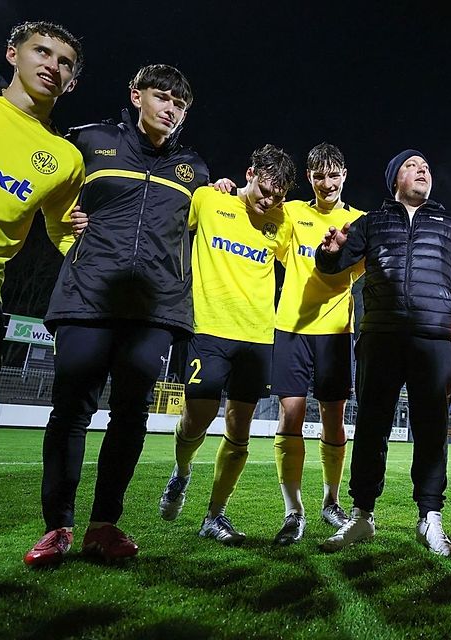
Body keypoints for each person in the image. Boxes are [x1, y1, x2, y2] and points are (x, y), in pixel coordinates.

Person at [23, 64, 210, 566]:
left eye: (180, 104)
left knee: (131, 415)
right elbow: (46, 189)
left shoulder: (195, 168)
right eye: (162, 97)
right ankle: (57, 527)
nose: (171, 109)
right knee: (71, 412)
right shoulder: (90, 141)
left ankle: (103, 525)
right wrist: (68, 235)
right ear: (136, 95)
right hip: (86, 298)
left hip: (155, 309)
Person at [0, 21, 85, 575]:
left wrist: (91, 250)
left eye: (65, 62)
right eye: (42, 52)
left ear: (72, 82)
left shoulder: (64, 157)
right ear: (12, 54)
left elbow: (61, 229)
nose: (52, 65)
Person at [314, 149, 451, 556]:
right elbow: (334, 264)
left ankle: (430, 517)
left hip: (434, 337)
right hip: (381, 335)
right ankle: (362, 515)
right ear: (395, 180)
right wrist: (330, 251)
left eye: (426, 166)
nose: (422, 170)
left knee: (432, 429)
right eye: (412, 166)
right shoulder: (371, 222)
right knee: (372, 426)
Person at [154, 145, 295, 546]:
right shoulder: (208, 200)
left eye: (279, 196)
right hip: (208, 329)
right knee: (197, 417)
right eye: (265, 190)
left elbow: (301, 264)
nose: (269, 201)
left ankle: (215, 515)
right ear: (249, 173)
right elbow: (166, 224)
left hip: (258, 336)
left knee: (239, 426)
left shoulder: (281, 221)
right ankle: (182, 472)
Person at [268, 143, 365, 545]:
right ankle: (293, 511)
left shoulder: (358, 221)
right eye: (319, 176)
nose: (327, 183)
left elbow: (366, 266)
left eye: (333, 174)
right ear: (309, 177)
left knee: (333, 418)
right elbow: (265, 236)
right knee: (290, 415)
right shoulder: (291, 211)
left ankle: (330, 500)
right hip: (290, 327)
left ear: (345, 174)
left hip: (336, 332)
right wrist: (228, 190)